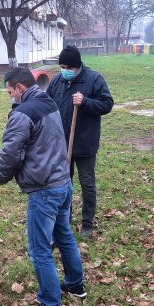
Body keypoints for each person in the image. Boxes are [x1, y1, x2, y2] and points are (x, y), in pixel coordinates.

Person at [0, 67, 86, 306]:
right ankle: (75, 284)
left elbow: (11, 152)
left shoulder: (22, 113)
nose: (11, 97)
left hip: (44, 188)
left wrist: (0, 176)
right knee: (64, 234)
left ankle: (49, 305)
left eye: (10, 92)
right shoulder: (48, 102)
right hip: (62, 181)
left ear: (20, 88)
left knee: (39, 249)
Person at [46, 45, 114, 238]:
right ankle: (64, 219)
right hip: (62, 144)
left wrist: (85, 102)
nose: (64, 70)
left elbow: (107, 104)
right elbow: (48, 104)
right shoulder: (57, 81)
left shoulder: (94, 79)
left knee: (87, 183)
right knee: (62, 184)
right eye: (62, 66)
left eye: (67, 67)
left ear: (77, 67)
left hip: (85, 142)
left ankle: (87, 222)